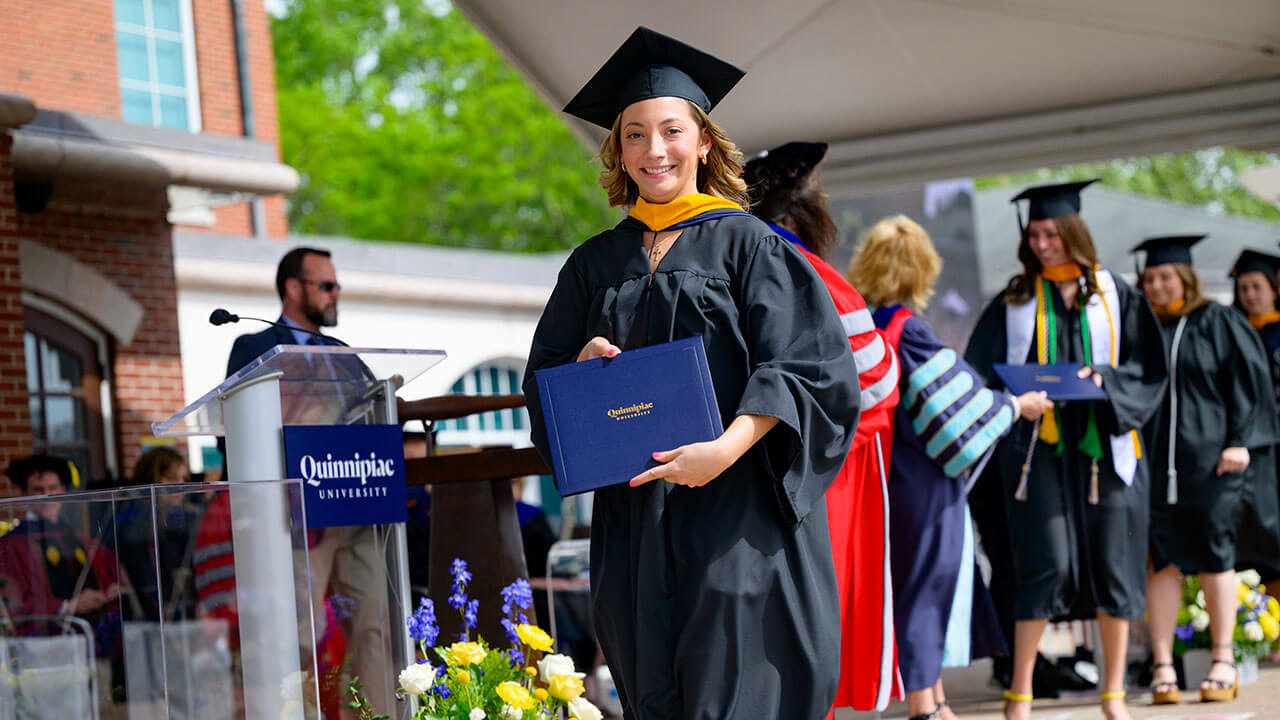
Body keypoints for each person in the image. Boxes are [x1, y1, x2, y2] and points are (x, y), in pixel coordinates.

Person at [522, 27, 861, 719]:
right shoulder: (593, 264)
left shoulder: (750, 245)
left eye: (671, 131)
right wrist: (582, 372)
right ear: (618, 149)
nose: (655, 151)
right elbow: (546, 381)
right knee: (652, 683)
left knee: (736, 687)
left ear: (703, 141)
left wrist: (723, 451)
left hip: (736, 513)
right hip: (634, 521)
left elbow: (807, 367)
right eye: (635, 134)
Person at [964, 180, 1166, 720]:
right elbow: (979, 372)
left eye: (1052, 233)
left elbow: (1148, 371)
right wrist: (1016, 397)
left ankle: (1114, 694)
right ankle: (1021, 692)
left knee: (1115, 563)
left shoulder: (1115, 294)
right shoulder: (1013, 301)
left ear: (1074, 232)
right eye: (1034, 234)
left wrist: (1101, 380)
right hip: (1039, 452)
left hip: (1107, 448)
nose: (1042, 244)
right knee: (1043, 563)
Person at [848, 215, 1052, 720]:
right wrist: (1014, 405)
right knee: (927, 587)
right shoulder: (908, 330)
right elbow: (964, 404)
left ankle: (935, 700)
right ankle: (924, 706)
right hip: (924, 482)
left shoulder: (868, 330)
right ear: (921, 269)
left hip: (885, 478)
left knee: (914, 585)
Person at [744, 141, 903, 714]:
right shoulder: (808, 268)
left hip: (745, 464)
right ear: (798, 207)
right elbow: (878, 377)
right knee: (818, 612)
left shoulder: (731, 258)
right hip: (821, 471)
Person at [1137, 236, 1279, 704]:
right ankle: (1163, 667)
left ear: (1186, 278)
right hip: (1156, 463)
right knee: (1161, 561)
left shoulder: (1216, 321)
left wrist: (1240, 441)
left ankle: (1222, 659)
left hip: (1212, 463)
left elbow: (1249, 380)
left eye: (1165, 276)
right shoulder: (1142, 328)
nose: (1156, 285)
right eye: (1150, 277)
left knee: (1218, 556)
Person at [0, 455, 123, 623]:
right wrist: (67, 607)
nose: (47, 495)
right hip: (46, 642)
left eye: (53, 488)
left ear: (63, 490)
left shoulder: (83, 541)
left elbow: (115, 579)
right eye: (38, 489)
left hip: (94, 636)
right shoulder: (10, 547)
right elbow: (12, 604)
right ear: (24, 494)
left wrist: (113, 591)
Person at [226, 246, 344, 376]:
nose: (335, 294)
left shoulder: (342, 353)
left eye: (337, 287)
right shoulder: (255, 348)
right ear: (293, 288)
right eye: (327, 286)